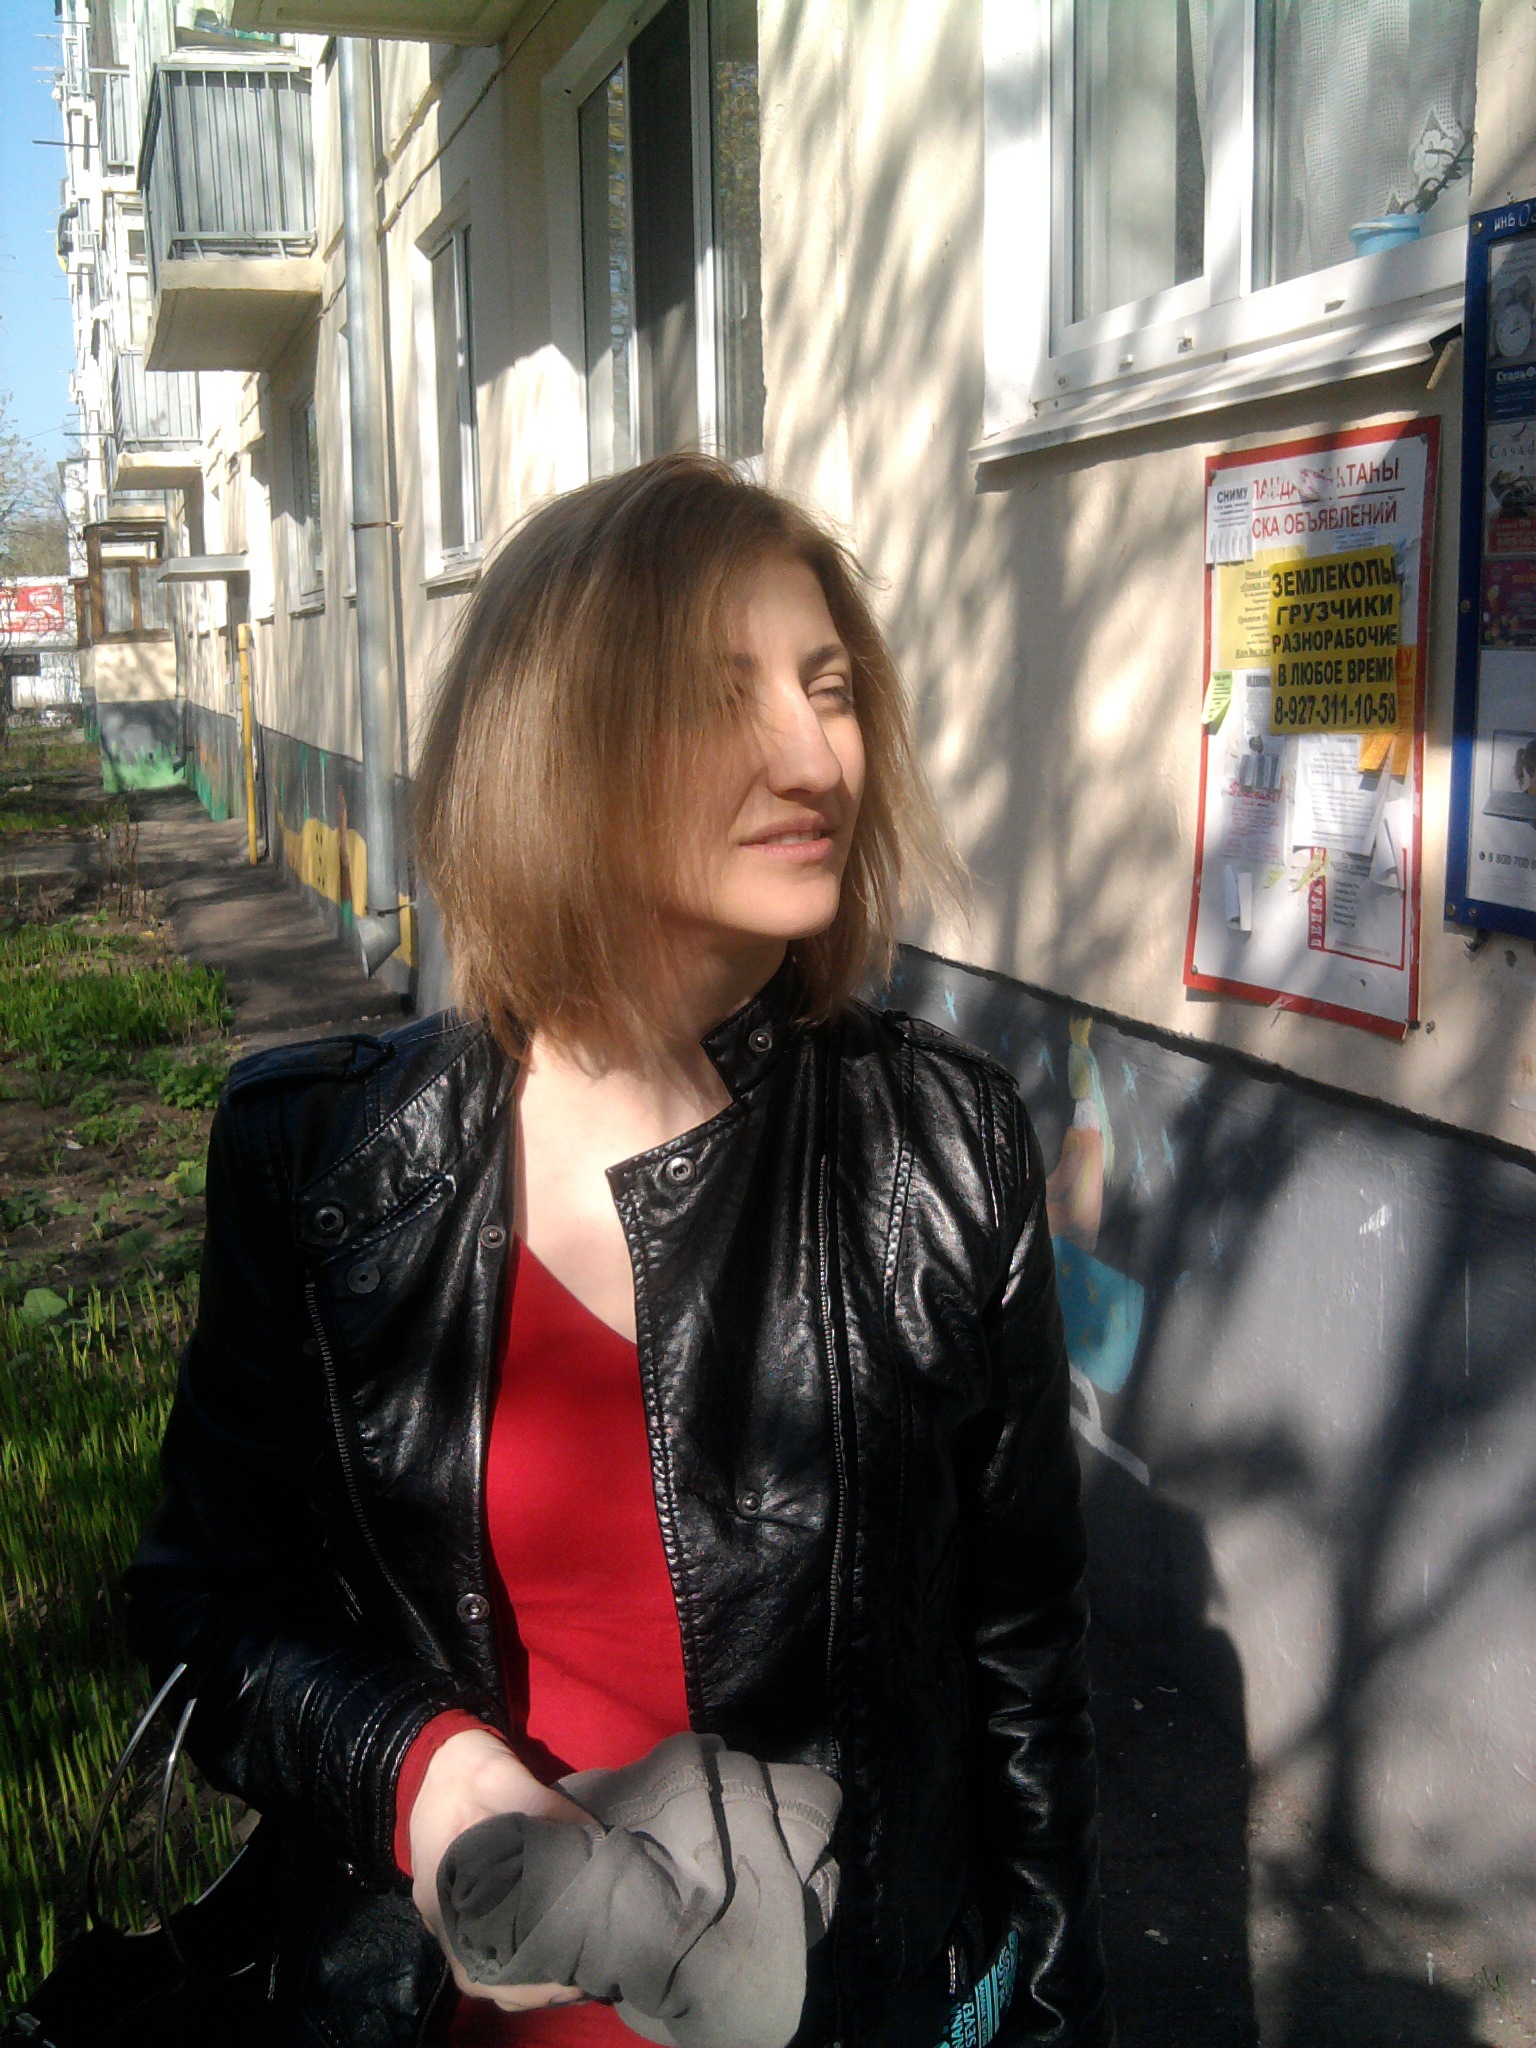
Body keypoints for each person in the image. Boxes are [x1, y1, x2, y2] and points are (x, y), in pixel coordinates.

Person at [121, 454, 1114, 2048]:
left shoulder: (941, 1150)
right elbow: (205, 1611)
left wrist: (1049, 2014)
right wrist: (419, 1773)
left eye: (831, 688)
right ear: (555, 745)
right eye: (724, 695)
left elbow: (1022, 1672)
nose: (816, 754)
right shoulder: (326, 1166)